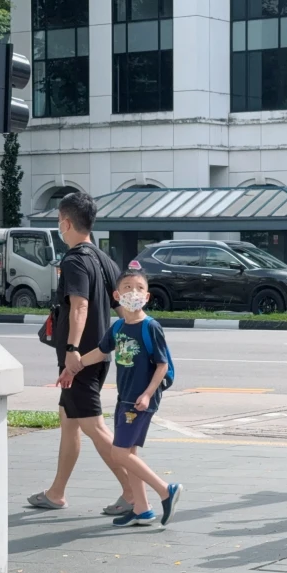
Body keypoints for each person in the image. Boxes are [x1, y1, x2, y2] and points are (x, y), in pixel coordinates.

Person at [27, 192, 134, 515]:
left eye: (60, 220)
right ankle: (57, 492)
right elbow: (123, 307)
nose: (59, 225)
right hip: (97, 357)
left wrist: (72, 351)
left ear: (67, 222)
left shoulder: (74, 260)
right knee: (69, 421)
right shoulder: (103, 259)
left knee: (94, 427)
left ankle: (134, 494)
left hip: (80, 362)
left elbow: (80, 306)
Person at [67, 269, 184, 527]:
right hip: (125, 397)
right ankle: (142, 510)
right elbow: (101, 351)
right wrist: (74, 366)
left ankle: (166, 490)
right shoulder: (119, 326)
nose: (133, 292)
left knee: (119, 453)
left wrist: (147, 394)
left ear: (147, 295)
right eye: (128, 287)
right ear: (117, 295)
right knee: (129, 452)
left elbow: (162, 365)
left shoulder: (150, 327)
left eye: (139, 288)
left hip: (140, 400)